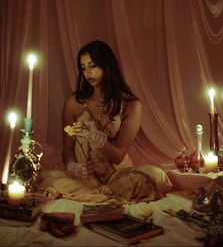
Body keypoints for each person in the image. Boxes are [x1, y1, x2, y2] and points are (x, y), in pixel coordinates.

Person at [42, 40, 159, 203]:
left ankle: (103, 192)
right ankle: (104, 194)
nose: (87, 73)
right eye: (83, 68)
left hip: (117, 175)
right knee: (45, 178)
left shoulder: (131, 104)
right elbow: (67, 149)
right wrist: (73, 167)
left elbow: (118, 156)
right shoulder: (74, 103)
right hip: (84, 177)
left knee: (155, 175)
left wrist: (94, 137)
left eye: (92, 66)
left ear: (107, 65)